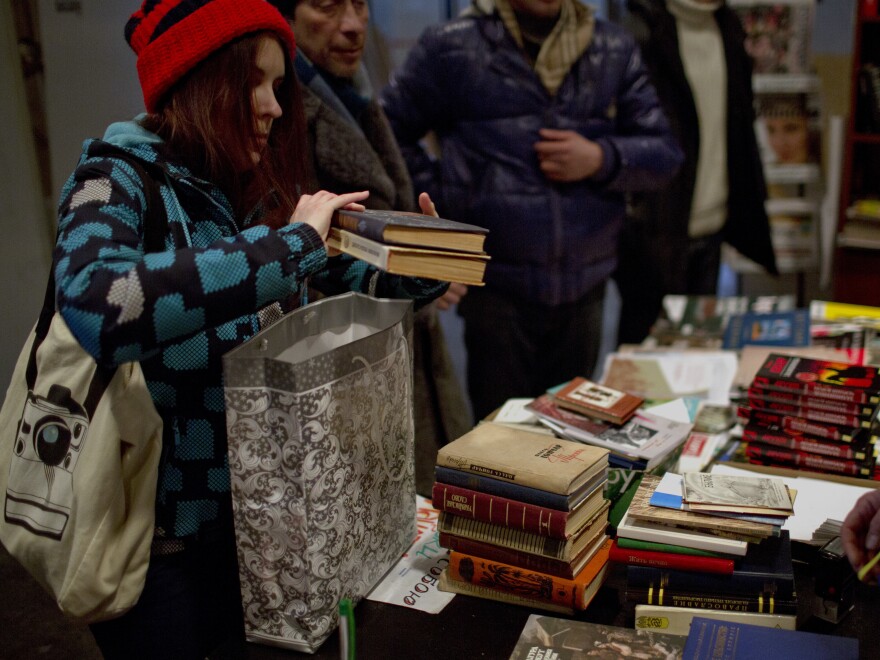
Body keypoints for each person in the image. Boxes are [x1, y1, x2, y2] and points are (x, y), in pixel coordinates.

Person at [55, 1, 448, 657]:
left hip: (260, 530)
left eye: (278, 86)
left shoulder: (243, 188)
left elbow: (350, 282)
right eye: (255, 84)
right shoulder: (115, 178)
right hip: (158, 553)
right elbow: (102, 305)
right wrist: (289, 245)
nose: (272, 106)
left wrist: (426, 262)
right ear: (201, 80)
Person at [380, 0, 683, 421]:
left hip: (585, 286)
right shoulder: (451, 45)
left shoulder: (612, 46)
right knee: (501, 441)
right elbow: (389, 131)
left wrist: (601, 157)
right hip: (495, 287)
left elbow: (664, 153)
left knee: (573, 436)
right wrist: (448, 198)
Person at [267, 0, 473, 496]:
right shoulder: (280, 113)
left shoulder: (353, 95)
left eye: (359, 4)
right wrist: (403, 274)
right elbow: (294, 258)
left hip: (406, 345)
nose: (354, 25)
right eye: (327, 6)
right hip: (347, 367)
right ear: (287, 16)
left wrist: (426, 256)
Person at [613, 0, 779, 346]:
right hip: (654, 228)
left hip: (713, 221)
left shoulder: (728, 28)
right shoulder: (640, 32)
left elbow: (736, 127)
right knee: (644, 359)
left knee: (699, 352)